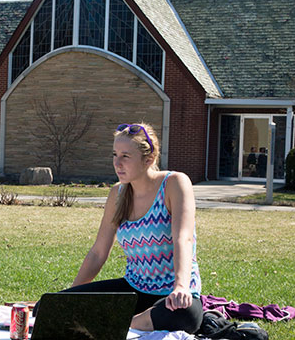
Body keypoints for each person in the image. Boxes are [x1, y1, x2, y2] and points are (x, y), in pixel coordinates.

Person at [43, 123, 202, 333]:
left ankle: (124, 323)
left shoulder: (175, 183)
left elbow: (183, 238)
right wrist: (72, 298)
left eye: (126, 156)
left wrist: (181, 286)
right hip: (134, 290)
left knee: (186, 316)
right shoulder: (117, 194)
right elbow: (98, 252)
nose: (118, 163)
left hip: (172, 296)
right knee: (44, 308)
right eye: (115, 154)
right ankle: (133, 321)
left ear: (149, 159)